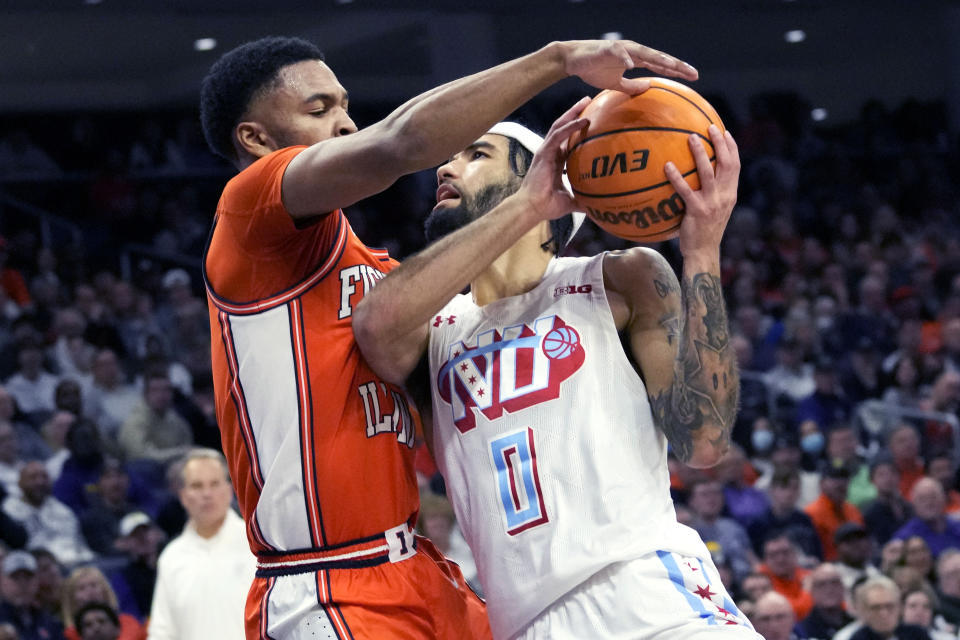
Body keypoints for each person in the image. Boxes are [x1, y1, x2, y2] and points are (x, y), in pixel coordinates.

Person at [200, 33, 698, 640]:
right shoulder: (251, 221)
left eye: (344, 105)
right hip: (325, 580)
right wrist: (558, 60)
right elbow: (399, 143)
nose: (345, 123)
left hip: (418, 567)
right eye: (318, 110)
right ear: (255, 139)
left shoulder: (386, 275)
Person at [352, 101, 755, 638]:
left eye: (477, 154)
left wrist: (702, 253)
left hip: (650, 594)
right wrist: (522, 207)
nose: (445, 169)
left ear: (538, 178)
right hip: (526, 622)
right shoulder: (432, 328)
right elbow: (374, 326)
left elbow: (703, 442)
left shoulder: (618, 279)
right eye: (448, 158)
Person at [147, 449, 254, 640]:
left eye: (214, 484)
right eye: (197, 486)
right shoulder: (172, 557)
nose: (207, 494)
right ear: (183, 496)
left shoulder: (256, 544)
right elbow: (162, 631)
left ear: (229, 490)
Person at [61, 566, 144, 640]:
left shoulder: (127, 622)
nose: (90, 591)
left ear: (105, 591)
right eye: (82, 588)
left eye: (94, 585)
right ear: (72, 598)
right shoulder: (67, 634)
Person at [0, 550, 63, 640]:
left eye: (28, 577)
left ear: (37, 581)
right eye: (15, 577)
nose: (22, 584)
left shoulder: (49, 621)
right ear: (2, 581)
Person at [892, 477, 960, 557]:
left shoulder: (957, 526)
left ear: (943, 499)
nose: (929, 503)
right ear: (914, 504)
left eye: (933, 497)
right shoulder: (904, 538)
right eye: (922, 499)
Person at [849, 575, 931, 640]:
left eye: (889, 606)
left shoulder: (917, 635)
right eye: (876, 608)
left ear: (900, 607)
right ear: (865, 611)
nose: (883, 613)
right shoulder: (857, 638)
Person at [798, 562, 854, 640]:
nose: (829, 590)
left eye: (834, 582)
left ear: (843, 587)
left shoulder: (856, 625)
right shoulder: (802, 631)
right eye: (821, 584)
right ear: (811, 591)